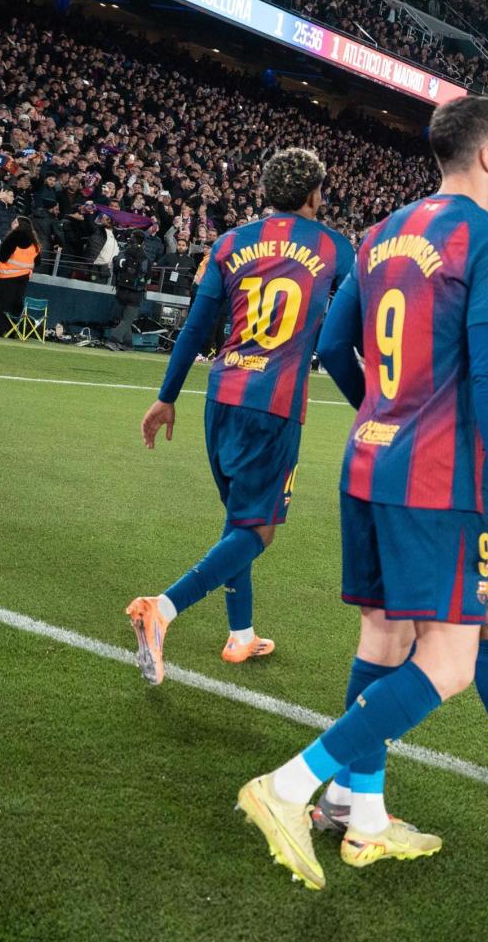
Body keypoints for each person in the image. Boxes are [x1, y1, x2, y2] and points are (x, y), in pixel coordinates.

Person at [235, 96, 488, 890]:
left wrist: (386, 410)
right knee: (451, 663)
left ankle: (362, 819)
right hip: (437, 478)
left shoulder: (379, 233)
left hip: (368, 459)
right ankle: (290, 786)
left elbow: (334, 343)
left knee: (384, 636)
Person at [310, 178, 488, 835]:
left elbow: (332, 346)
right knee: (436, 654)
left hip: (385, 461)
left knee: (476, 622)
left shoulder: (392, 238)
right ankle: (323, 783)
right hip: (459, 488)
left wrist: (386, 412)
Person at [126, 149, 352, 680]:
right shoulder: (334, 248)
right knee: (258, 531)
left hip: (222, 395)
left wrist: (166, 396)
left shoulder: (230, 242)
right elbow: (344, 332)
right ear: (314, 193)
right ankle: (163, 608)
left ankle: (241, 635)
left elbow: (195, 325)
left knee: (239, 521)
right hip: (274, 406)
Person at [0, 216, 38, 327]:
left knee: (4, 302)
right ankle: (13, 329)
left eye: (15, 222)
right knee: (17, 302)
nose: (12, 223)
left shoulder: (14, 236)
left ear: (20, 225)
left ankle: (1, 328)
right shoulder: (34, 241)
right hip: (24, 277)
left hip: (8, 275)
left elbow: (3, 257)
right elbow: (38, 262)